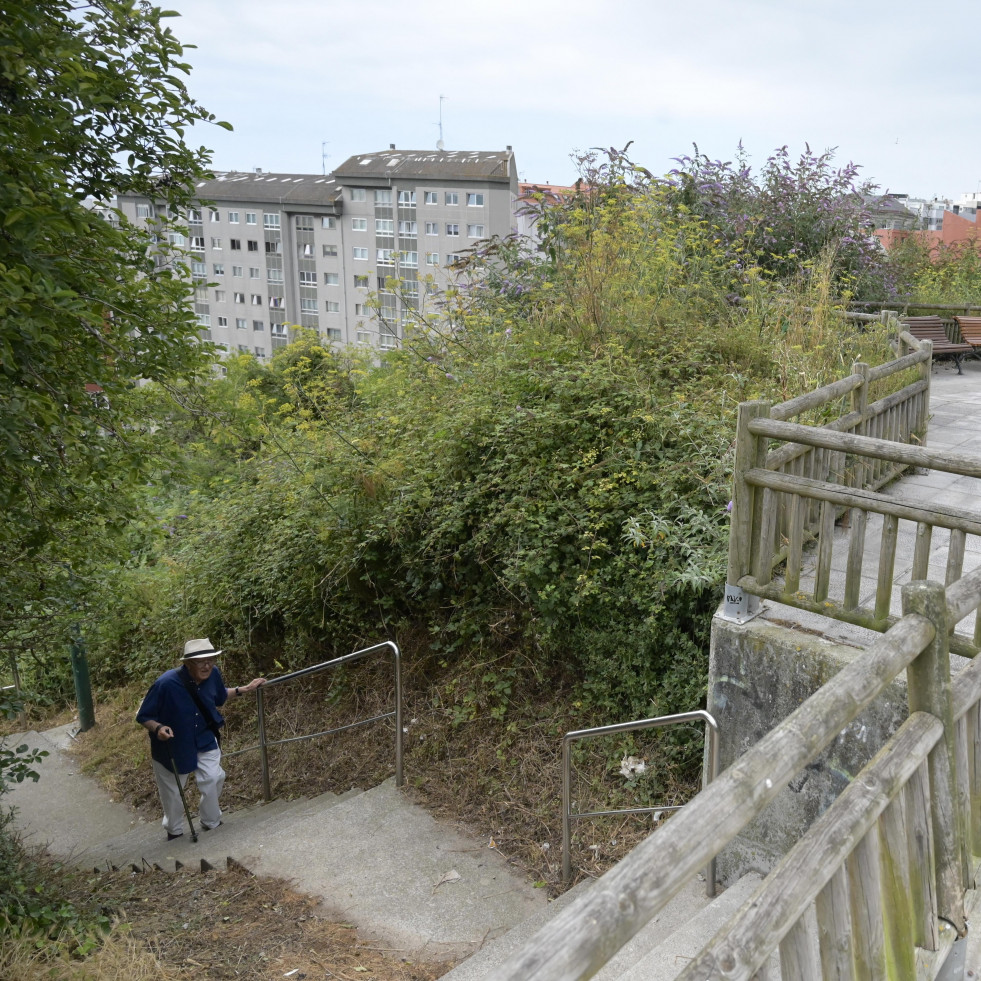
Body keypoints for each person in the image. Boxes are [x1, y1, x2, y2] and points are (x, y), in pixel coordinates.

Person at [136, 638, 266, 840]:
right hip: (173, 744)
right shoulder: (166, 684)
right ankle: (174, 829)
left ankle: (211, 820)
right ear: (187, 663)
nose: (207, 665)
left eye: (211, 660)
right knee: (172, 793)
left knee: (214, 777)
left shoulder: (213, 674)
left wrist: (243, 689)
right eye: (200, 661)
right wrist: (159, 728)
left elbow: (219, 695)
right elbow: (144, 716)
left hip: (204, 736)